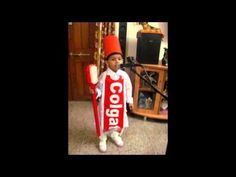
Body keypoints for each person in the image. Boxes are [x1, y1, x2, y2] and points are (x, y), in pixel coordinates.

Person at [95, 35, 133, 152]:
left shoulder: (124, 75)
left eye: (119, 59)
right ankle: (103, 138)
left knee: (118, 120)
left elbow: (128, 88)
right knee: (104, 120)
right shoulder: (103, 76)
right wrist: (95, 91)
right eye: (113, 59)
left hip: (118, 105)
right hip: (106, 106)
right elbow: (99, 88)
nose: (117, 61)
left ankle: (115, 134)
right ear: (107, 62)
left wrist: (129, 101)